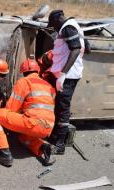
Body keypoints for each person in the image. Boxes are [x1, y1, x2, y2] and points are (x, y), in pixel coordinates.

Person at [0, 59, 56, 167]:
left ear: (23, 72)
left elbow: (11, 109)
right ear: (37, 71)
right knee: (23, 136)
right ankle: (43, 147)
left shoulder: (24, 82)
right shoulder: (49, 86)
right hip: (48, 127)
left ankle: (3, 154)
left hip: (33, 122)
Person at [47, 10, 85, 154]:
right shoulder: (74, 27)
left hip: (67, 77)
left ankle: (60, 145)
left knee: (63, 108)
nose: (54, 28)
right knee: (60, 107)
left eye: (53, 24)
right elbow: (86, 48)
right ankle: (56, 137)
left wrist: (63, 73)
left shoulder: (68, 27)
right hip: (68, 75)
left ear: (58, 19)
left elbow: (75, 50)